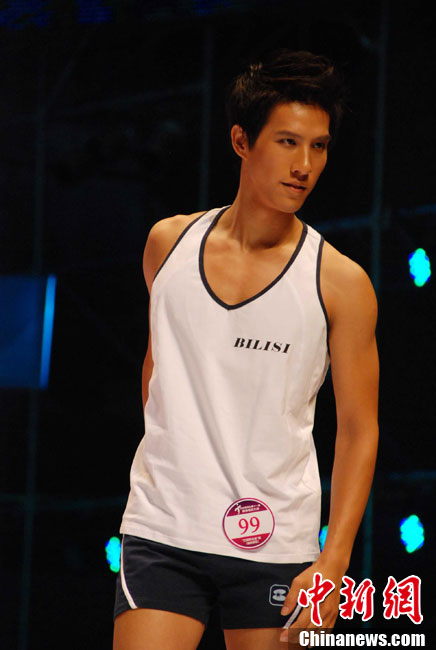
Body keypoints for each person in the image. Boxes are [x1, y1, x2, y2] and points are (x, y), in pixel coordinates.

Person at [113, 50, 379, 650]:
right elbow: (157, 370)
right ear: (241, 140)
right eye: (287, 142)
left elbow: (360, 429)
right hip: (163, 531)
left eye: (319, 147)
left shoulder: (340, 282)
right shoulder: (167, 245)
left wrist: (334, 562)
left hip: (276, 542)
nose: (304, 165)